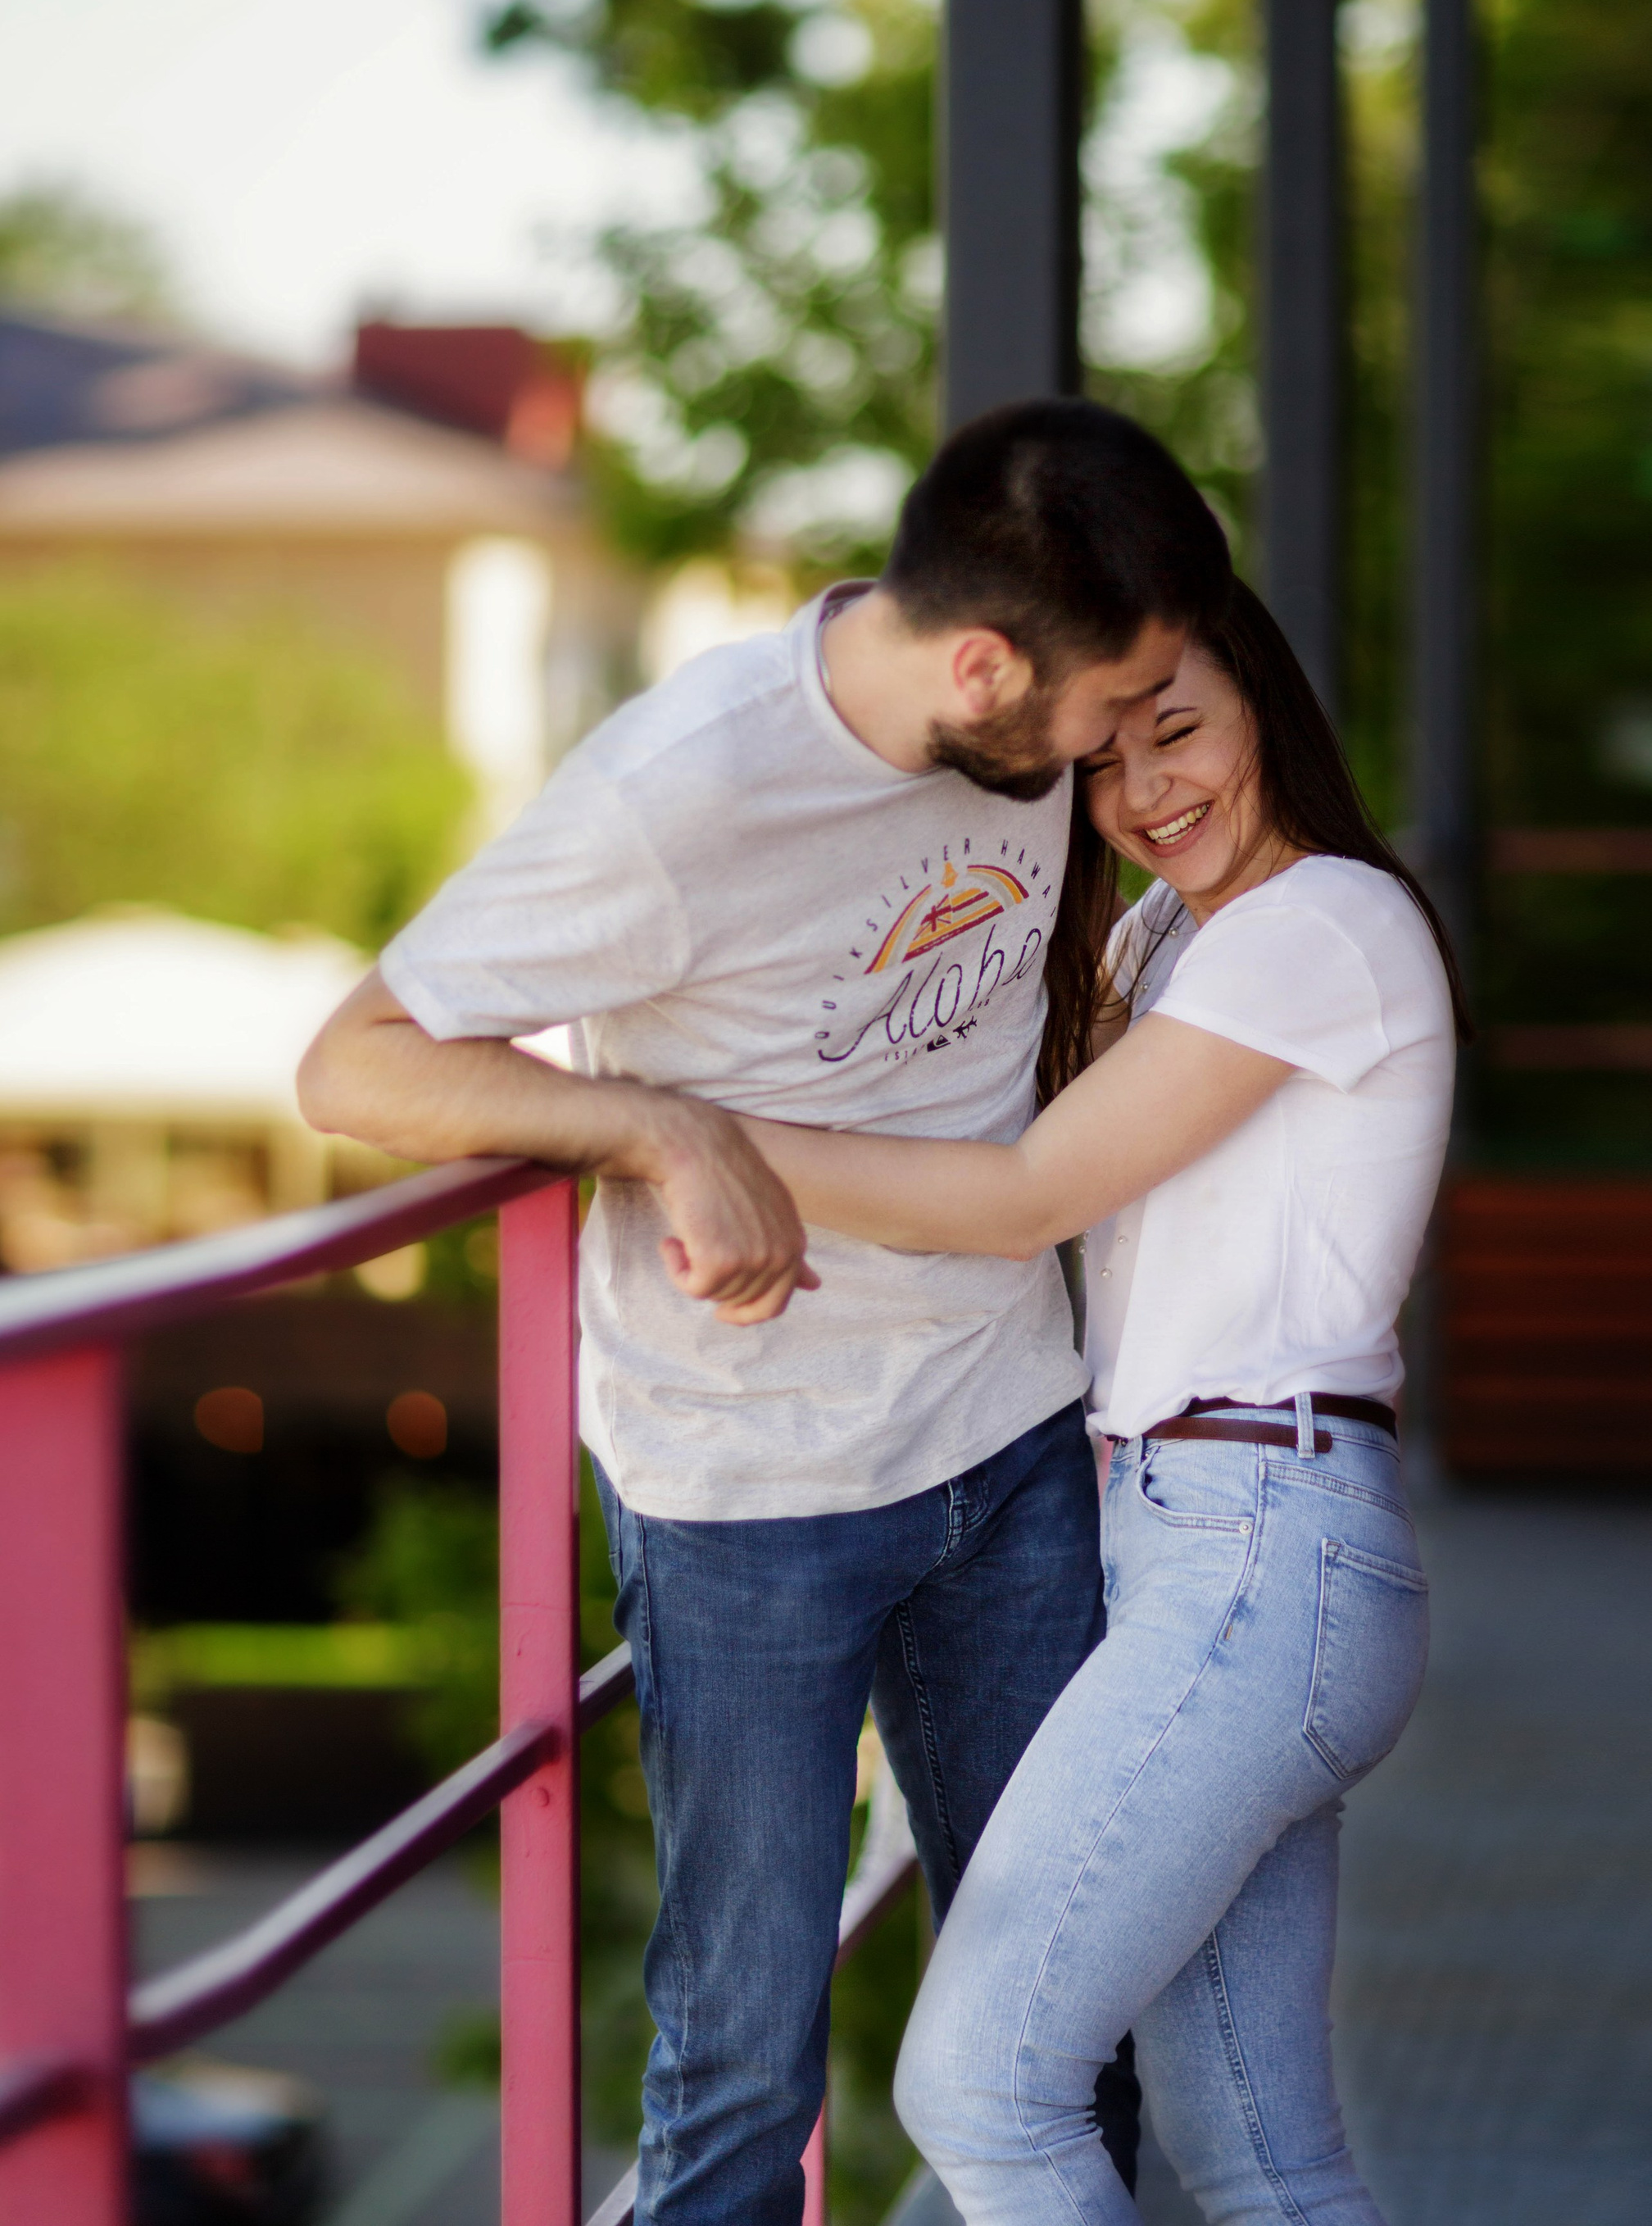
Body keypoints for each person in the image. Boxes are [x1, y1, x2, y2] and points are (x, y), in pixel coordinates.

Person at [296, 397, 1233, 2226]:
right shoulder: (679, 790)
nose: (1120, 751)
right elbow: (353, 1062)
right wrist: (654, 1122)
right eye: (1103, 706)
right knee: (740, 2069)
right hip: (747, 1494)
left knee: (1067, 2016)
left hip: (1007, 1426)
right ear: (978, 663)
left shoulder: (1011, 744)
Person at [726, 579, 1467, 2226]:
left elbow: (1019, 1191)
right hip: (1204, 1552)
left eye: (1179, 728)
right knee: (1260, 2154)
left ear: (1263, 703)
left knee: (979, 2088)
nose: (1146, 792)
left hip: (1258, 1551)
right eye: (1099, 761)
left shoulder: (1316, 925)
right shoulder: (1166, 934)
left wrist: (680, 1136)